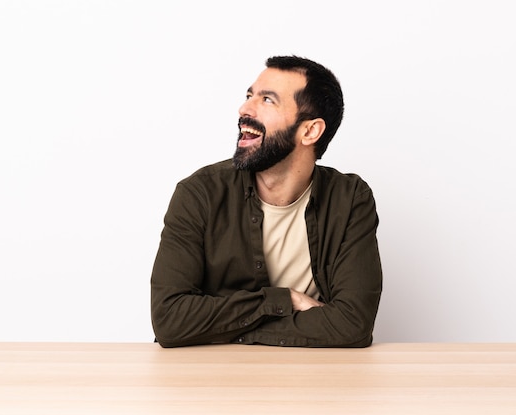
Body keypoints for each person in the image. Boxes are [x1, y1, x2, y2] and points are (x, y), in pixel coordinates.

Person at [150, 55, 382, 348]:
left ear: (310, 131)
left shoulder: (350, 200)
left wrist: (230, 329)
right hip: (214, 377)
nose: (245, 109)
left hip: (316, 377)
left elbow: (353, 326)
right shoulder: (200, 194)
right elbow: (169, 320)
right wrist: (284, 300)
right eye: (249, 96)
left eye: (267, 100)